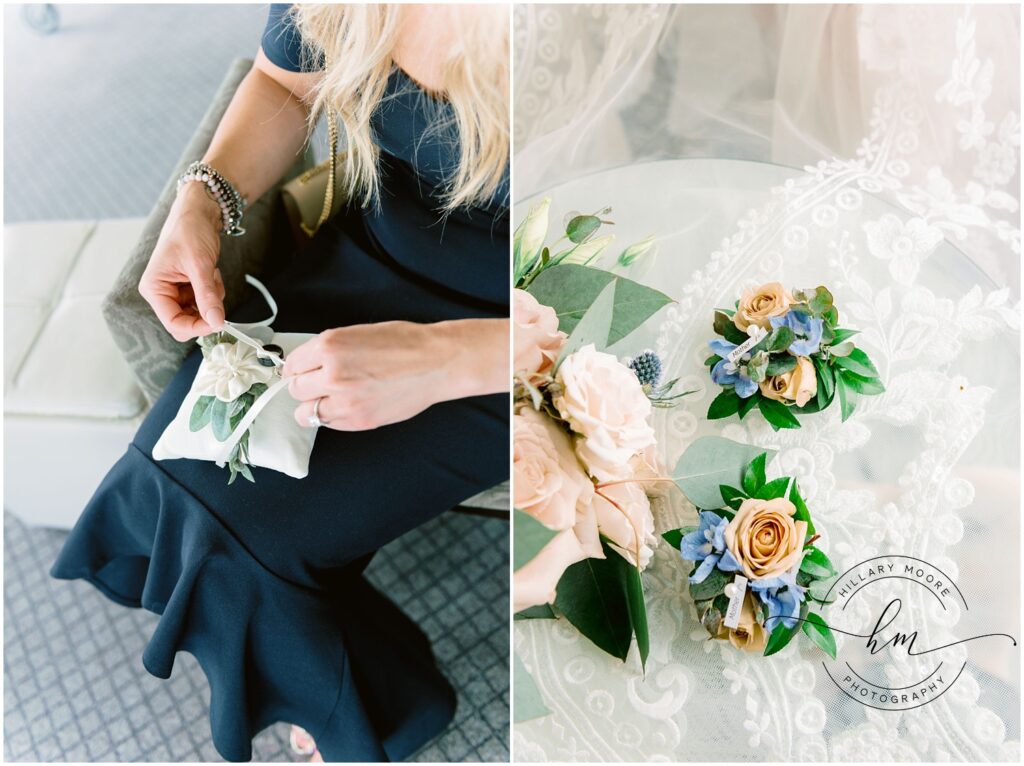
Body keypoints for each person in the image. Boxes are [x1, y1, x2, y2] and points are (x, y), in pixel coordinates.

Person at [51, 3, 510, 762]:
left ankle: (376, 705)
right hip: (375, 256)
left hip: (526, 333)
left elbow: (664, 284)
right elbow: (286, 82)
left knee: (251, 545)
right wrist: (205, 199)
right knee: (181, 485)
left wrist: (438, 361)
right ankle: (356, 680)